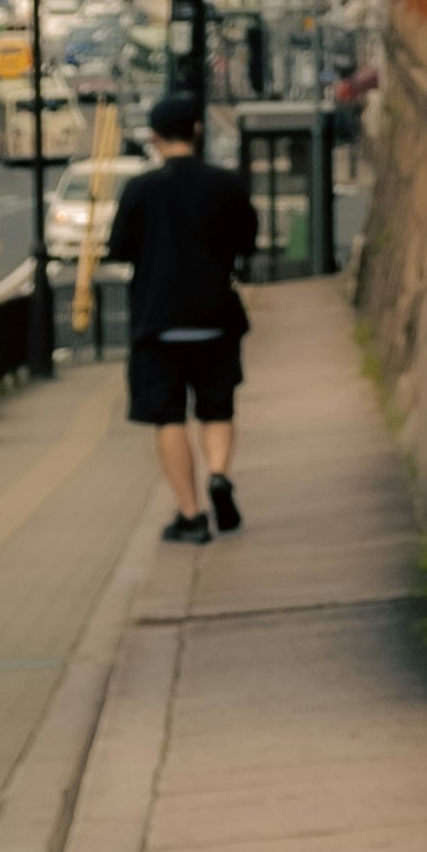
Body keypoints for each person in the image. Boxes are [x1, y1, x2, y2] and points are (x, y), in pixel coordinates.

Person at [108, 94, 254, 541]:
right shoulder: (225, 184)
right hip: (216, 316)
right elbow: (246, 242)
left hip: (159, 322)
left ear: (153, 138)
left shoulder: (140, 190)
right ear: (197, 130)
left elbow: (120, 249)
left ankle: (190, 514)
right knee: (217, 408)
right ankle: (218, 475)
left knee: (168, 417)